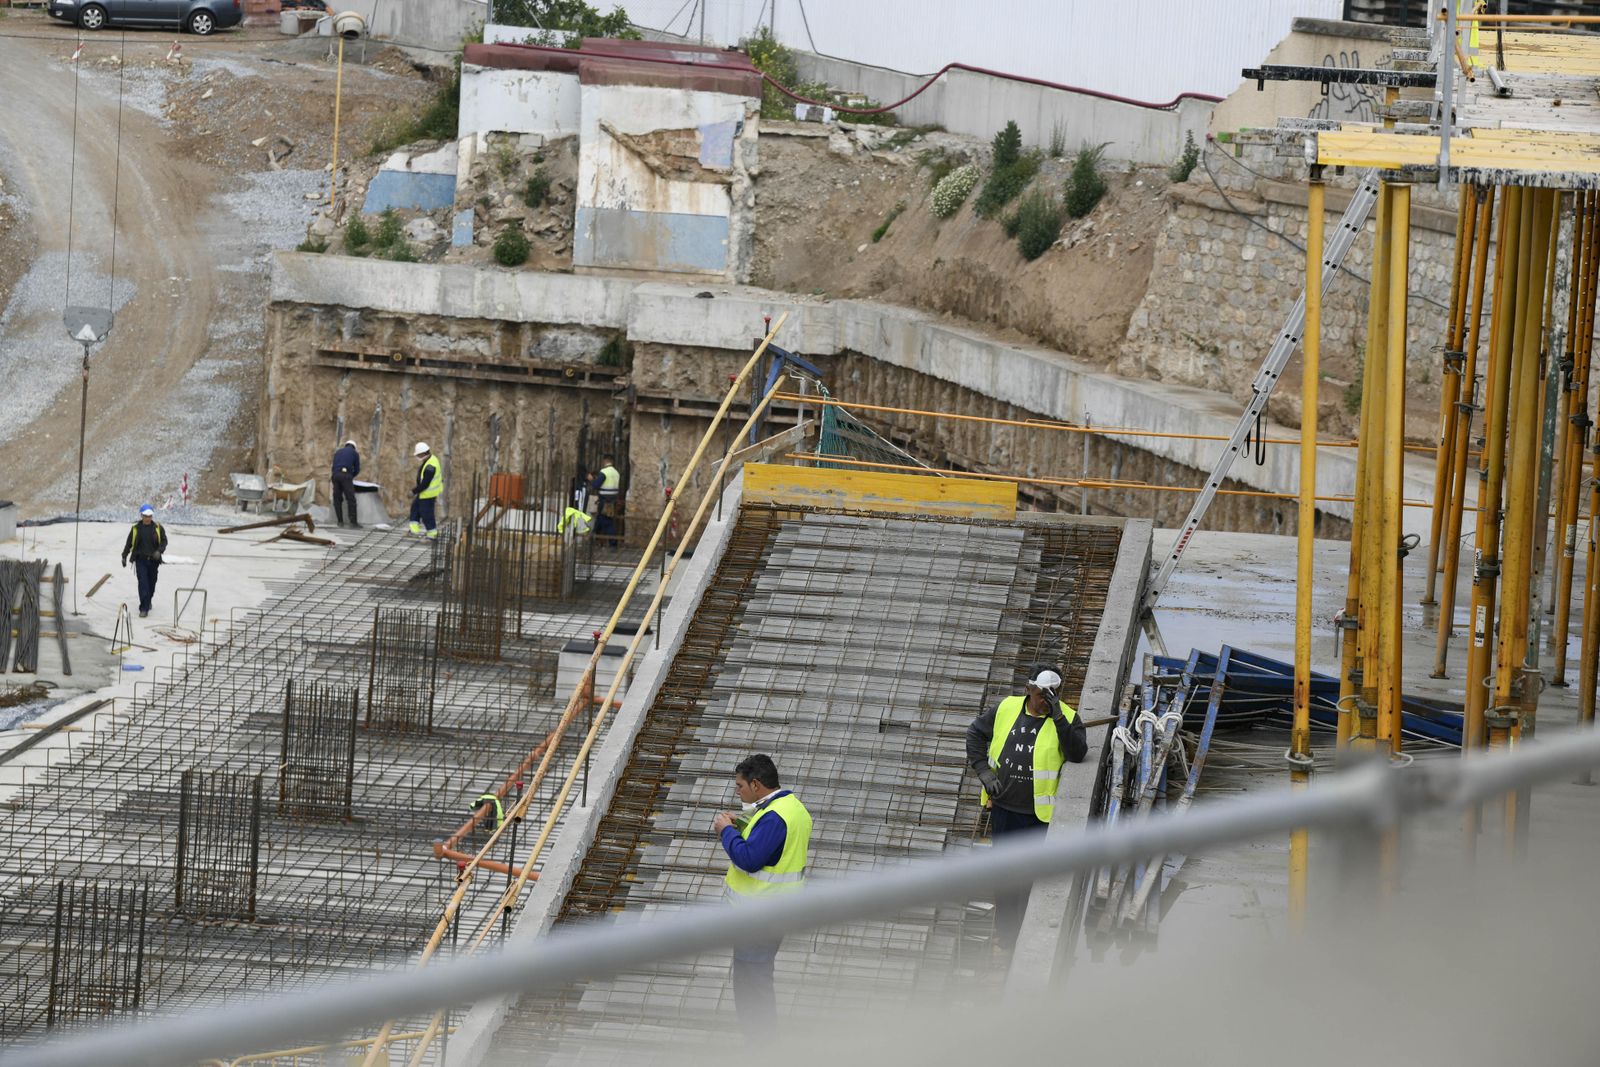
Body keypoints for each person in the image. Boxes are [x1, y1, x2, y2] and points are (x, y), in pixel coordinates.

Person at [965, 667, 1087, 952]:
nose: (1046, 700)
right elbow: (974, 735)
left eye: (1052, 695)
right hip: (1004, 809)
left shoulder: (1067, 718)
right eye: (1042, 695)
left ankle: (1026, 934)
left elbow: (1077, 754)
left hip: (1037, 817)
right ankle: (1007, 937)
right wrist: (983, 772)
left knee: (1030, 878)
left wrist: (1057, 716)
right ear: (1029, 689)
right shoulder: (1007, 708)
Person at [713, 753, 812, 1039]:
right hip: (774, 912)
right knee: (755, 981)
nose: (738, 792)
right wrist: (742, 822)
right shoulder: (789, 807)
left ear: (756, 785)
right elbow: (772, 843)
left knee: (752, 986)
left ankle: (760, 1047)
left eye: (740, 787)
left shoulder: (774, 818)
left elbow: (750, 858)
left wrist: (726, 832)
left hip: (759, 916)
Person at [119, 504, 169, 619]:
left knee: (151, 584)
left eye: (150, 516)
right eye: (145, 516)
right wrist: (124, 556)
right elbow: (129, 543)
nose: (147, 518)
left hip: (153, 561)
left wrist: (159, 551)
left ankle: (148, 600)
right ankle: (143, 608)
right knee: (143, 584)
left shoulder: (158, 527)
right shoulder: (136, 528)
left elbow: (164, 541)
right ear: (141, 515)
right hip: (140, 561)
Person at [408, 442, 443, 539]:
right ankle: (414, 531)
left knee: (426, 515)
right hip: (423, 493)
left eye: (418, 455)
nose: (418, 456)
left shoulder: (430, 466)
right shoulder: (430, 459)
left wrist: (413, 491)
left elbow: (425, 484)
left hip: (428, 494)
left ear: (423, 453)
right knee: (415, 509)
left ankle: (432, 534)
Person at [593, 454, 622, 547]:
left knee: (607, 522)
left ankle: (613, 543)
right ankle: (594, 538)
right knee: (600, 520)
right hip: (612, 501)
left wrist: (592, 480)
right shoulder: (616, 473)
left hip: (604, 501)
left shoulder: (604, 472)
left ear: (605, 461)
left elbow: (596, 485)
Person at [331, 439, 361, 529]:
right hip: (345, 475)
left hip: (335, 475)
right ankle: (353, 523)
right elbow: (357, 469)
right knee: (351, 499)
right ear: (354, 447)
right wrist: (350, 476)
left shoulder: (338, 452)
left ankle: (340, 522)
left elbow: (333, 467)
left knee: (337, 499)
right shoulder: (354, 453)